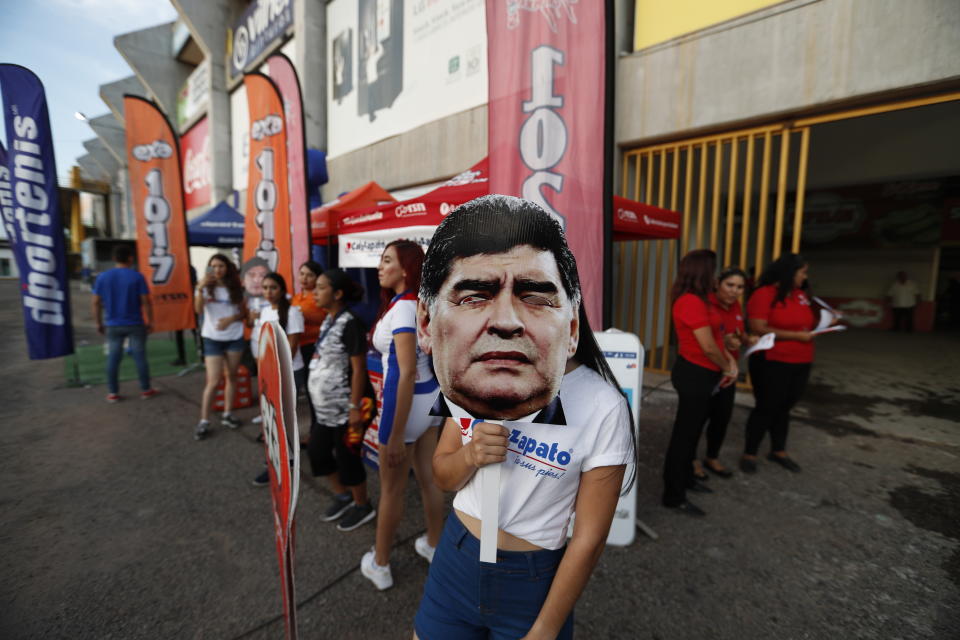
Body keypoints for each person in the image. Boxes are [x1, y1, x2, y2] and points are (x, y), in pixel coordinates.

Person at [412, 195, 635, 640]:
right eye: (476, 296)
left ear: (571, 327)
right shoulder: (468, 382)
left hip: (532, 581)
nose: (507, 320)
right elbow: (442, 475)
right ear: (427, 322)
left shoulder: (603, 406)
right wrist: (472, 455)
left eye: (534, 296)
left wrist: (545, 629)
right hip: (455, 558)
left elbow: (588, 538)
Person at [360, 240, 445, 590]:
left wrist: (394, 434)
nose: (380, 267)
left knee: (391, 490)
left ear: (407, 268)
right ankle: (434, 545)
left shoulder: (405, 308)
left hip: (407, 407)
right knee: (428, 478)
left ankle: (380, 563)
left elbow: (404, 371)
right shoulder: (415, 304)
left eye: (387, 260)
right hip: (429, 402)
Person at [662, 249, 737, 517]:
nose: (716, 276)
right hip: (695, 373)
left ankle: (687, 480)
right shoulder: (690, 301)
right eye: (714, 270)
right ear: (704, 272)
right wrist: (727, 364)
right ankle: (673, 494)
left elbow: (717, 337)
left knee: (694, 433)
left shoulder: (703, 300)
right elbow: (706, 346)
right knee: (685, 435)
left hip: (707, 372)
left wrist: (728, 357)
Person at [305, 268, 375, 530]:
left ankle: (362, 505)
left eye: (321, 287)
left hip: (350, 407)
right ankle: (344, 495)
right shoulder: (328, 319)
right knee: (317, 451)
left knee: (347, 457)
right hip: (326, 409)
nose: (315, 291)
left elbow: (358, 369)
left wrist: (355, 407)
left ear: (337, 293)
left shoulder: (350, 323)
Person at [740, 253, 821, 474]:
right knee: (767, 406)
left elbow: (806, 322)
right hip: (772, 361)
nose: (805, 276)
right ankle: (749, 452)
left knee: (785, 407)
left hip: (801, 359)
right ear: (789, 272)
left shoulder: (800, 295)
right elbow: (758, 327)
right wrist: (796, 336)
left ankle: (778, 451)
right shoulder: (764, 294)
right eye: (803, 271)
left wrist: (826, 322)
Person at [697, 266, 754, 480]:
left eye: (740, 287)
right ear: (718, 284)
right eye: (730, 285)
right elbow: (705, 340)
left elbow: (739, 331)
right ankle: (692, 460)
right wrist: (724, 342)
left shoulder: (736, 306)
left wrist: (747, 339)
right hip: (708, 370)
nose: (734, 291)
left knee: (722, 417)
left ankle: (712, 457)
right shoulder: (706, 305)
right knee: (698, 418)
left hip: (728, 373)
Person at [251, 272, 305, 486]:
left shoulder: (292, 312)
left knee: (282, 419)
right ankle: (279, 461)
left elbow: (291, 348)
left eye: (273, 287)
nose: (268, 292)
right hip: (268, 373)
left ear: (282, 289)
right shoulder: (264, 311)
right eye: (265, 288)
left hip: (288, 372)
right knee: (273, 418)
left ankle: (286, 462)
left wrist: (274, 374)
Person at [91, 245, 156, 402]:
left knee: (113, 357)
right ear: (130, 258)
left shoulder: (102, 277)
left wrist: (98, 323)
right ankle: (146, 390)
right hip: (135, 323)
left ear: (114, 259)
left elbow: (95, 303)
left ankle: (113, 392)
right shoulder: (137, 277)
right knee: (140, 356)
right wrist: (151, 321)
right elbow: (146, 302)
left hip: (112, 324)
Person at [195, 254, 247, 440]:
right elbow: (198, 310)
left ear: (228, 268)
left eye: (221, 266)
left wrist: (230, 319)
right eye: (213, 266)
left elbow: (243, 312)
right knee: (214, 380)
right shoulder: (204, 287)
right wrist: (200, 289)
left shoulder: (236, 287)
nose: (217, 269)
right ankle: (204, 420)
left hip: (234, 336)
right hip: (212, 338)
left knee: (231, 376)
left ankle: (227, 413)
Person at [292, 261, 328, 443]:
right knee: (305, 390)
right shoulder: (296, 297)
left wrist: (299, 313)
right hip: (297, 349)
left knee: (315, 391)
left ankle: (316, 433)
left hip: (314, 348)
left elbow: (322, 317)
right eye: (302, 274)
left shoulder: (319, 297)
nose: (304, 278)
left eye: (309, 275)